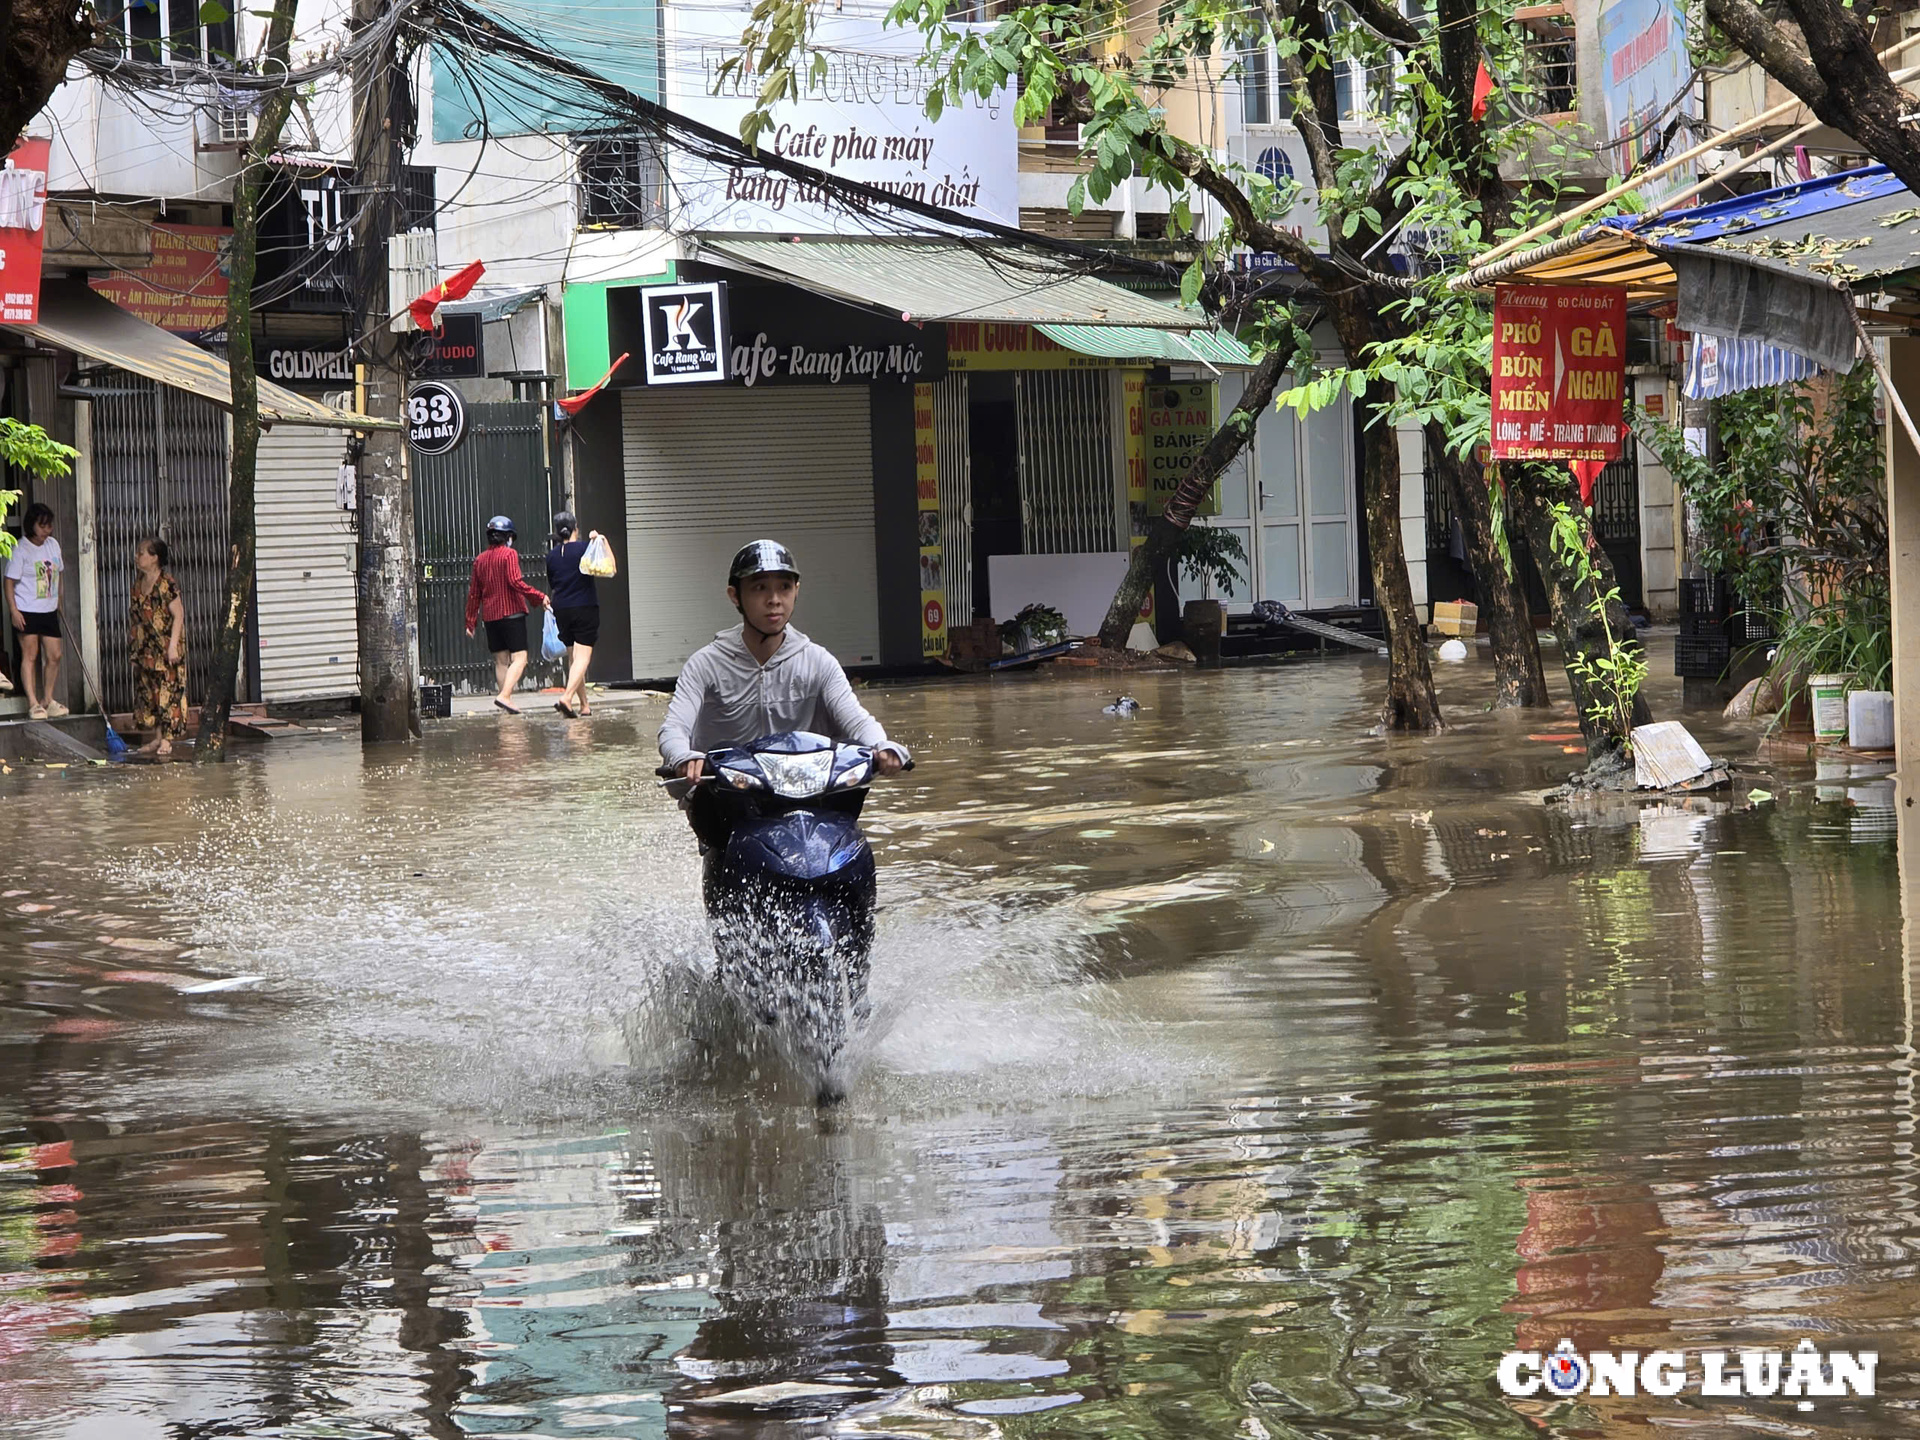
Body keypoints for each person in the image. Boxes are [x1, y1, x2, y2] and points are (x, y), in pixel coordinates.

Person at [658, 539, 910, 786]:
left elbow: (856, 720)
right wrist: (683, 756)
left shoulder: (818, 661)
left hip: (807, 786)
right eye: (760, 588)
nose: (774, 600)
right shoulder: (705, 665)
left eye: (784, 588)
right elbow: (674, 727)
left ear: (796, 591)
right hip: (725, 793)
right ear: (735, 596)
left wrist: (881, 745)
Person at [464, 515, 549, 714]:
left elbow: (474, 593)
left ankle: (505, 701)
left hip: (491, 617)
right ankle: (505, 696)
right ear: (508, 537)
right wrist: (539, 596)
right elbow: (515, 582)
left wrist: (470, 622)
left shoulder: (480, 560)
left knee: (501, 661)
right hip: (511, 614)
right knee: (520, 658)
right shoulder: (509, 555)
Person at [130, 536, 188, 756]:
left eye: (142, 553)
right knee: (149, 693)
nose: (138, 557)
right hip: (146, 648)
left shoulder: (167, 583)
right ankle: (157, 737)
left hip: (166, 647)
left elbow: (178, 615)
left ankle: (168, 739)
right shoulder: (138, 582)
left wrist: (173, 646)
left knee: (168, 692)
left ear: (155, 558)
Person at [7, 503, 64, 719]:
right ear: (32, 525)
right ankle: (32, 702)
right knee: (30, 655)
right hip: (27, 608)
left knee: (54, 655)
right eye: (42, 526)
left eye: (49, 526)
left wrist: (59, 599)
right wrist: (14, 610)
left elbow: (60, 574)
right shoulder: (20, 548)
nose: (46, 531)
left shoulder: (53, 545)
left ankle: (48, 699)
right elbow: (9, 582)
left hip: (48, 609)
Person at [545, 511, 601, 719]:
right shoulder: (586, 547)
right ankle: (567, 698)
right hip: (584, 606)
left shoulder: (551, 556)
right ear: (576, 527)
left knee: (573, 657)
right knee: (583, 657)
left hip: (562, 609)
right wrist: (598, 541)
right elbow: (604, 567)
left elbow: (553, 583)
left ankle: (584, 705)